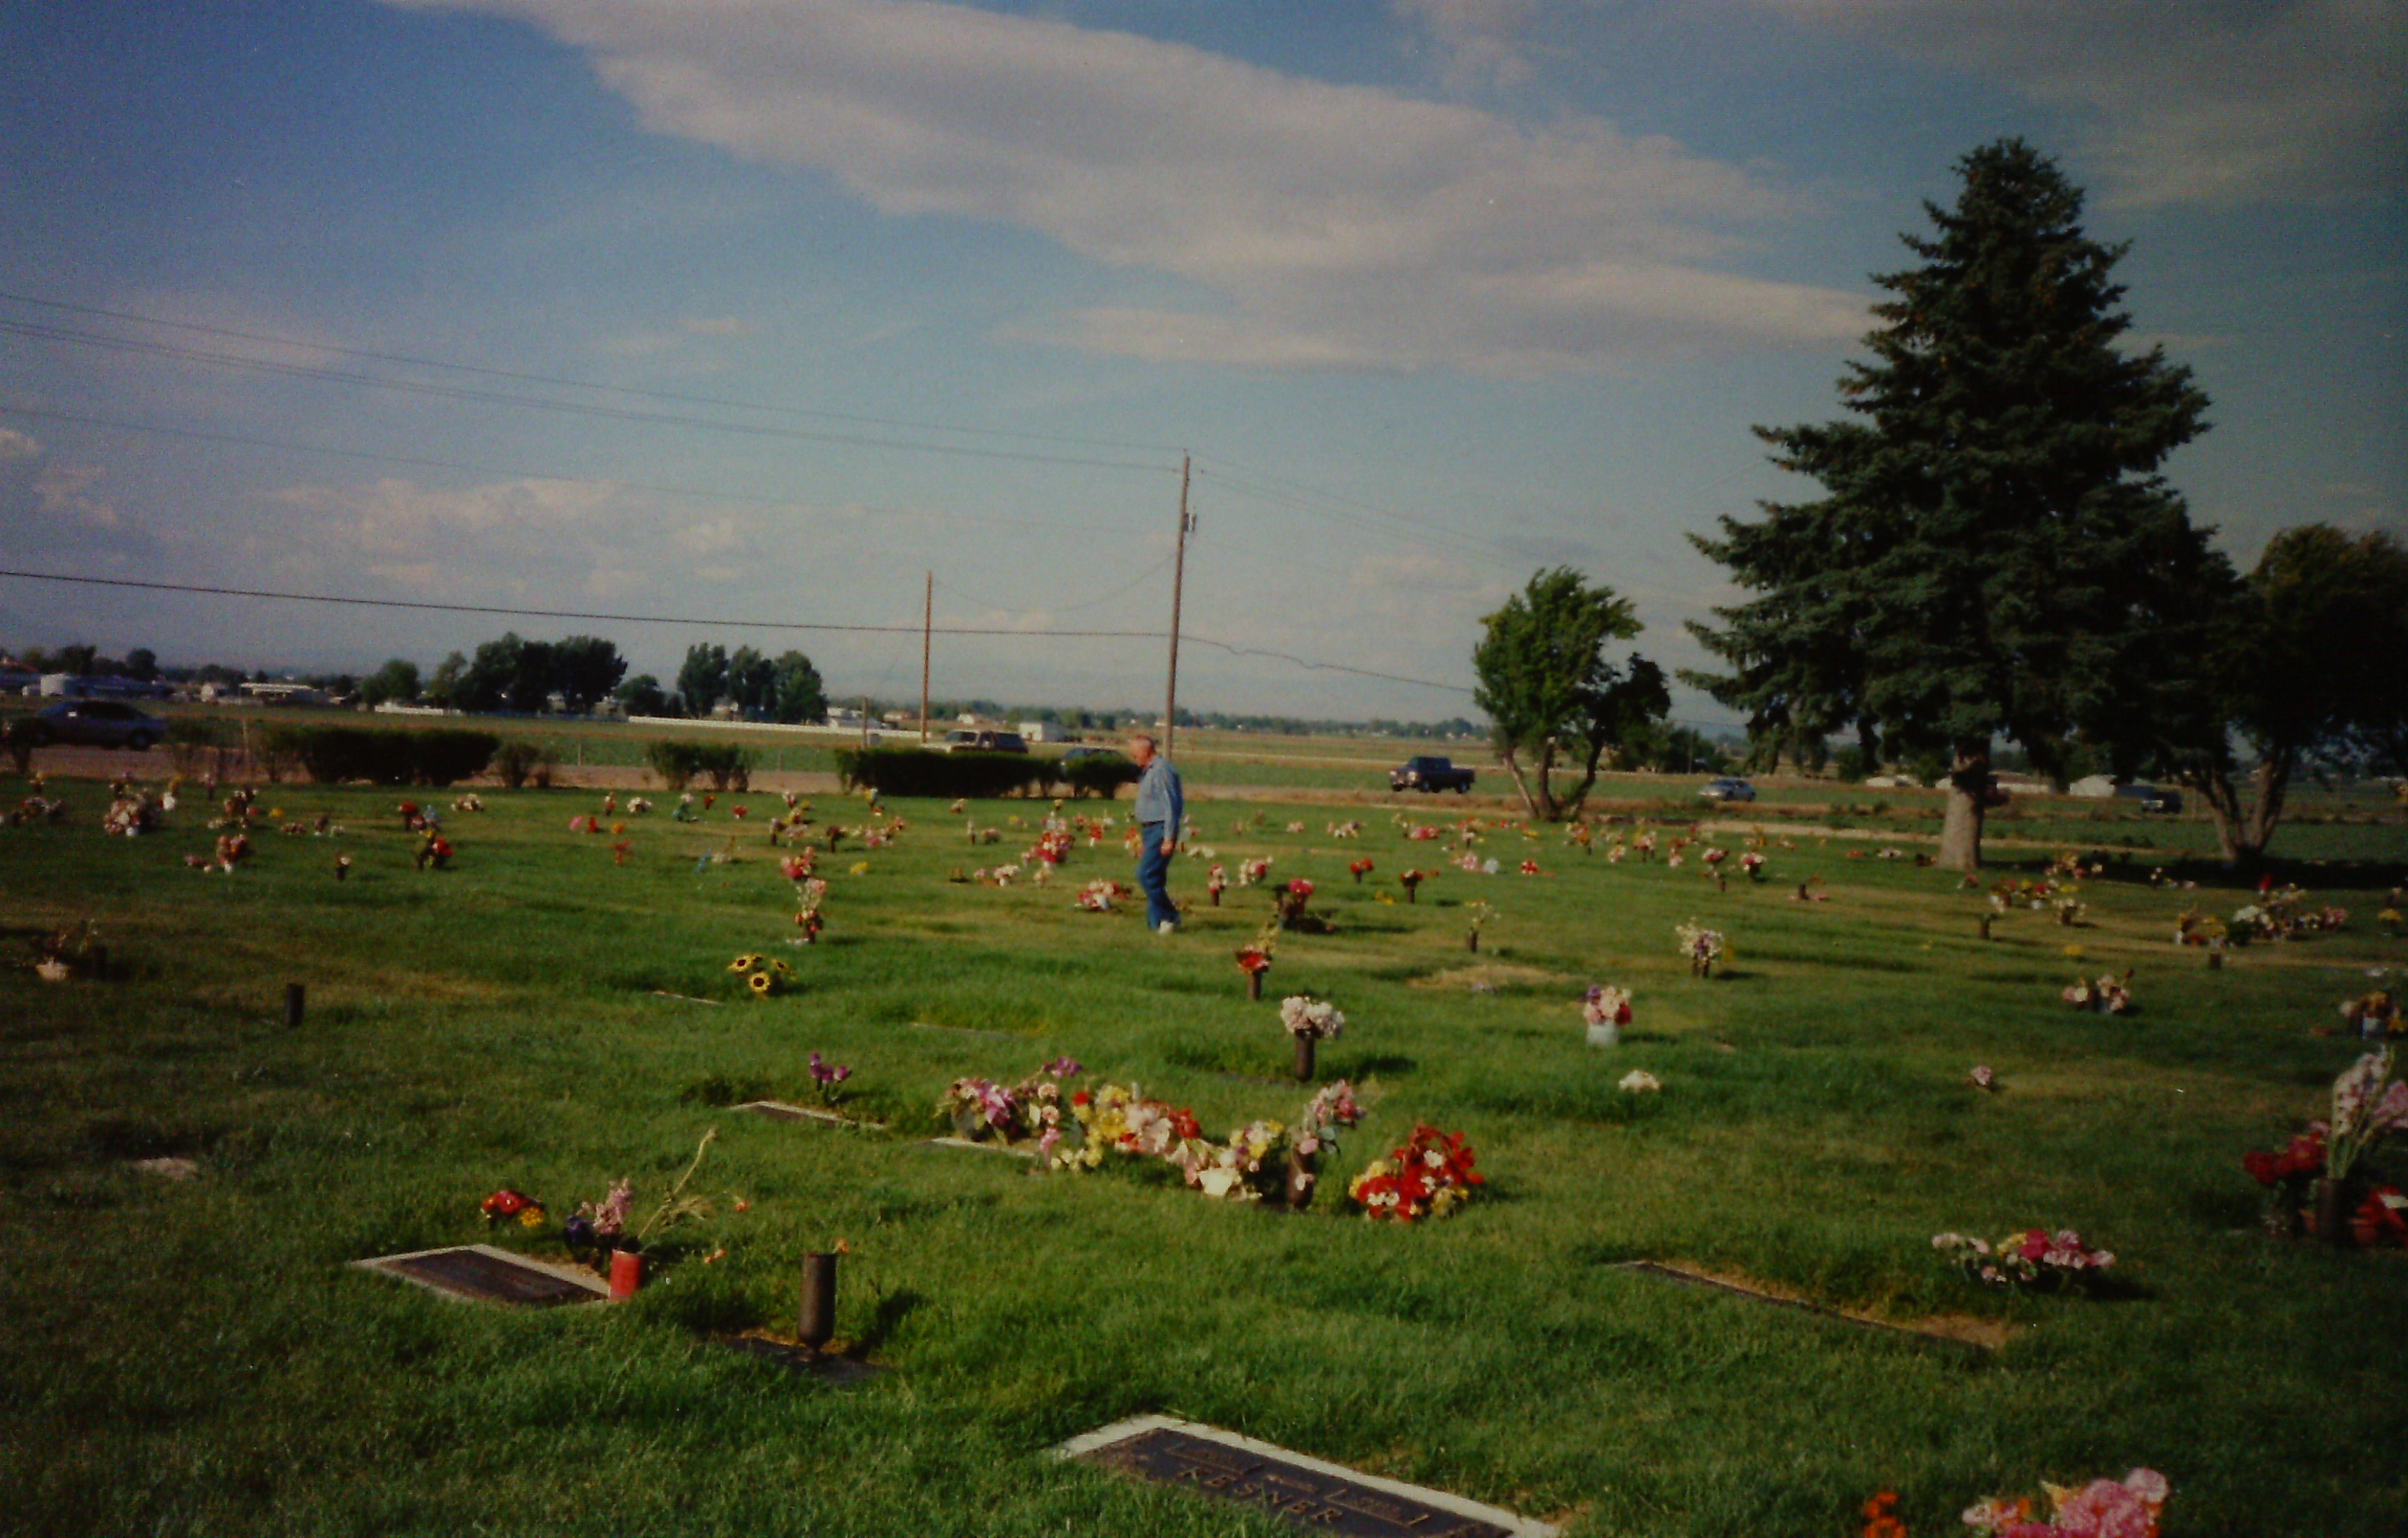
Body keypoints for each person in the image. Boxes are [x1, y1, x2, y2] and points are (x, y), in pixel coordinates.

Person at [1127, 732, 1183, 933]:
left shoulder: (1162, 771)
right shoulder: (1150, 771)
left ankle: (1170, 915)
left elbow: (1170, 806)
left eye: (1135, 754)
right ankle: (1156, 923)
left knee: (1145, 875)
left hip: (1160, 829)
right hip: (1150, 830)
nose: (1134, 758)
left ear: (1146, 751)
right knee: (1155, 878)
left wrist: (1168, 837)